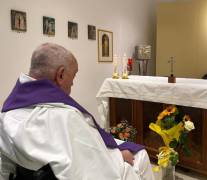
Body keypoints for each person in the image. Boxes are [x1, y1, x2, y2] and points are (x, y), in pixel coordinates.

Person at [0, 43, 154, 180]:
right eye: (73, 76)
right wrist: (118, 157)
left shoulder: (8, 111)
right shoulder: (65, 117)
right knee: (140, 156)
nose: (73, 83)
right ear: (60, 75)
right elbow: (93, 166)